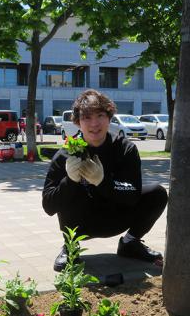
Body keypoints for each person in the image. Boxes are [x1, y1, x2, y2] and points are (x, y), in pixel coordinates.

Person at [42, 89, 168, 271]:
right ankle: (70, 248)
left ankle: (130, 243)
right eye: (86, 117)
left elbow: (133, 194)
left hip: (116, 217)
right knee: (66, 189)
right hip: (81, 224)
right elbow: (48, 206)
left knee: (157, 193)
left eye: (100, 115)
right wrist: (70, 180)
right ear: (78, 122)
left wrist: (102, 182)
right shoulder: (66, 154)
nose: (94, 123)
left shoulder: (125, 149)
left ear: (109, 117)